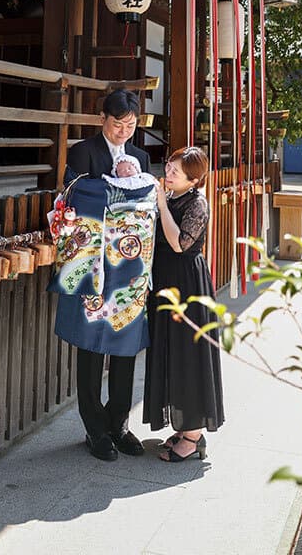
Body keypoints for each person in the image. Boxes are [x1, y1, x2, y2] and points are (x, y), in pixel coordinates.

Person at [64, 88, 151, 462]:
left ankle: (119, 424)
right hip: (92, 263)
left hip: (128, 268)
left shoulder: (143, 157)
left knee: (124, 346)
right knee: (89, 346)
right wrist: (113, 195)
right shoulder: (83, 152)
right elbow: (72, 194)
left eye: (130, 125)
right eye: (118, 124)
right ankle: (94, 429)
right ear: (103, 119)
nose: (123, 132)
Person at [143, 146, 225, 462]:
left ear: (193, 180)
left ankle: (193, 436)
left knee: (189, 355)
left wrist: (161, 203)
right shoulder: (174, 197)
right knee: (169, 351)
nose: (169, 171)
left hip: (187, 286)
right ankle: (182, 428)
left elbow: (179, 244)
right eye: (169, 165)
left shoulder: (197, 203)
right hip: (164, 282)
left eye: (176, 170)